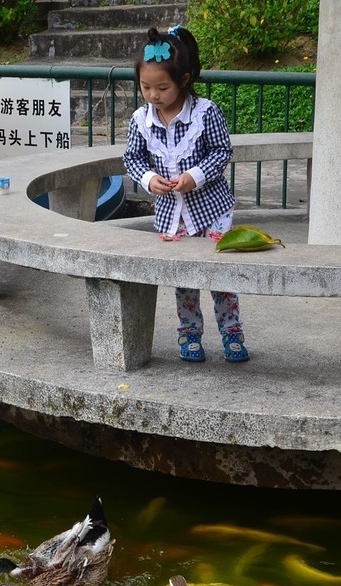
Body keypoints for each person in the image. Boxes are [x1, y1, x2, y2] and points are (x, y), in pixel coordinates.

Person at [122, 25, 249, 363]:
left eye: (162, 87)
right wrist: (149, 179)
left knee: (221, 276)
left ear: (184, 79)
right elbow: (132, 158)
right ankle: (189, 333)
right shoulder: (140, 120)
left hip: (212, 211)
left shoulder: (205, 113)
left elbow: (222, 151)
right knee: (183, 279)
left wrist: (195, 176)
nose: (153, 95)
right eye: (145, 86)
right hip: (171, 216)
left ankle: (232, 333)